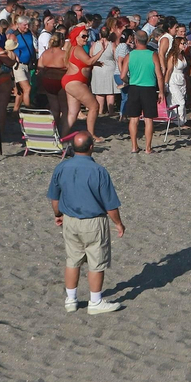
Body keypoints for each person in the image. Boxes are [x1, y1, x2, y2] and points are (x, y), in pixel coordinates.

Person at [46, 132, 124, 314]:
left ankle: (71, 300)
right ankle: (95, 301)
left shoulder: (61, 167)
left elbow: (54, 198)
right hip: (93, 222)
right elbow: (110, 204)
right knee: (96, 262)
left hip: (70, 220)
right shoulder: (99, 171)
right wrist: (118, 223)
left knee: (72, 260)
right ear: (91, 147)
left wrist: (58, 214)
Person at [122, 30, 166, 154]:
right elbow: (159, 76)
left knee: (134, 119)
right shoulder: (153, 55)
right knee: (148, 119)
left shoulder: (130, 55)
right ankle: (148, 147)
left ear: (136, 40)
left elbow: (122, 75)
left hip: (134, 87)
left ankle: (134, 146)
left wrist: (128, 81)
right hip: (149, 88)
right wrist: (161, 91)